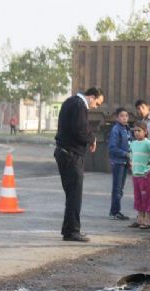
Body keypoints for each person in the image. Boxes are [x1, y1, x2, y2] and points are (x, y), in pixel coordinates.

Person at [54, 87, 105, 242]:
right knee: (74, 195)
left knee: (71, 195)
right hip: (71, 155)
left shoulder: (70, 102)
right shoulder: (79, 105)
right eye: (98, 102)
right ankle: (72, 231)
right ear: (92, 97)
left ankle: (68, 229)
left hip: (64, 153)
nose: (96, 106)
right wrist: (92, 139)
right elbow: (80, 129)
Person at [107, 107, 131, 221]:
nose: (124, 118)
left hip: (125, 162)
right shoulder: (116, 130)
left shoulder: (127, 129)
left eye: (126, 116)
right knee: (117, 188)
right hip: (118, 163)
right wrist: (125, 154)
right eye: (122, 116)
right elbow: (112, 148)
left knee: (120, 189)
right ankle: (114, 212)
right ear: (117, 118)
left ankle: (117, 210)